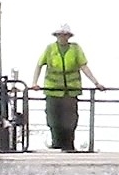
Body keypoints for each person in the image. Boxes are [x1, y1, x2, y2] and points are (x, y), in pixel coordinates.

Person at [30, 23, 104, 152]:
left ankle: (68, 145)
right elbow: (39, 64)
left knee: (69, 120)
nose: (62, 37)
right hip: (52, 90)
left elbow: (83, 66)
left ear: (69, 37)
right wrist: (34, 83)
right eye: (60, 35)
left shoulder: (76, 49)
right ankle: (56, 144)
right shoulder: (50, 49)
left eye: (65, 35)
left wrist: (96, 83)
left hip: (70, 91)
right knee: (53, 119)